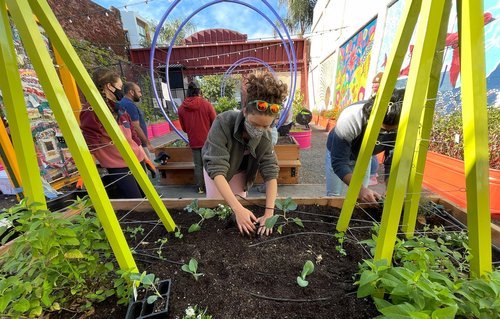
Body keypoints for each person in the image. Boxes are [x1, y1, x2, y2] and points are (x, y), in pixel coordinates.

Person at [202, 71, 287, 236]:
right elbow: (217, 168)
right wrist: (237, 208)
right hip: (217, 173)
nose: (259, 130)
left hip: (241, 172)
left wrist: (269, 213)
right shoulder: (223, 122)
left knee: (240, 208)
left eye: (265, 126)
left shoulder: (266, 136)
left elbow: (270, 172)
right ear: (245, 112)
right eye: (255, 124)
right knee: (217, 209)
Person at [325, 88, 405, 204]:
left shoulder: (403, 122)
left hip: (364, 155)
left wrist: (390, 189)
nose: (384, 135)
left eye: (391, 131)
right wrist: (360, 189)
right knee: (334, 196)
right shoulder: (351, 117)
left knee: (361, 198)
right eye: (382, 129)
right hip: (337, 152)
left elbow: (392, 160)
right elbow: (339, 162)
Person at [80, 69, 146, 198]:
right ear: (109, 86)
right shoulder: (92, 111)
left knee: (146, 198)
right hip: (119, 166)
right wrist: (86, 171)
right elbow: (91, 142)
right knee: (135, 202)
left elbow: (133, 135)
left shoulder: (119, 108)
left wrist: (144, 156)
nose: (121, 91)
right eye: (120, 87)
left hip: (136, 160)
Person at [178, 81, 216, 194]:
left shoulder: (181, 108)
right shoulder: (207, 105)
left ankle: (201, 187)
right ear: (199, 91)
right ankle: (212, 187)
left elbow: (184, 128)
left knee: (198, 165)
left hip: (194, 141)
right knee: (210, 164)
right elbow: (215, 123)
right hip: (208, 141)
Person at [119, 82, 155, 155]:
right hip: (138, 144)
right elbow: (136, 126)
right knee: (147, 164)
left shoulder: (122, 103)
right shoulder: (129, 105)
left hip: (132, 142)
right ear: (131, 92)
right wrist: (147, 143)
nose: (140, 95)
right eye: (139, 92)